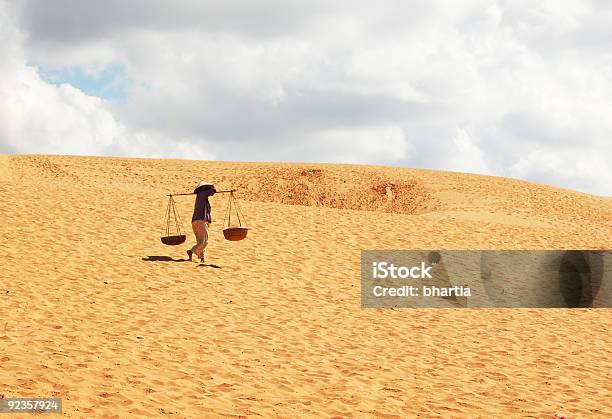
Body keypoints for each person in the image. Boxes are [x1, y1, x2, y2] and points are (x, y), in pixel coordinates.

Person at [187, 181, 216, 262]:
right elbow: (212, 191)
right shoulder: (202, 195)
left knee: (200, 242)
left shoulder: (201, 197)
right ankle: (191, 251)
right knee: (204, 242)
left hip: (196, 221)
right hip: (201, 220)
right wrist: (212, 188)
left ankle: (202, 258)